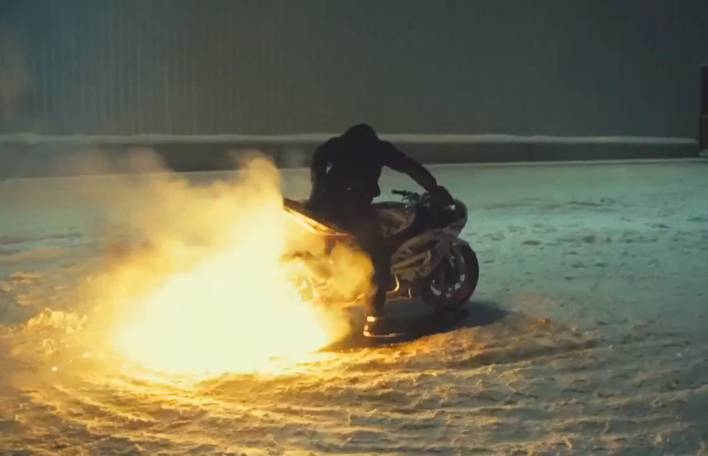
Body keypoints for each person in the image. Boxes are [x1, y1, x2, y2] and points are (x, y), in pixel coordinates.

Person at [307, 124, 453, 337]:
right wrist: (435, 189)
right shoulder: (375, 148)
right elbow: (409, 166)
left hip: (321, 208)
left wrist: (317, 192)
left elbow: (317, 162)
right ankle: (374, 321)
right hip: (352, 208)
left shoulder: (335, 145)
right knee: (378, 257)